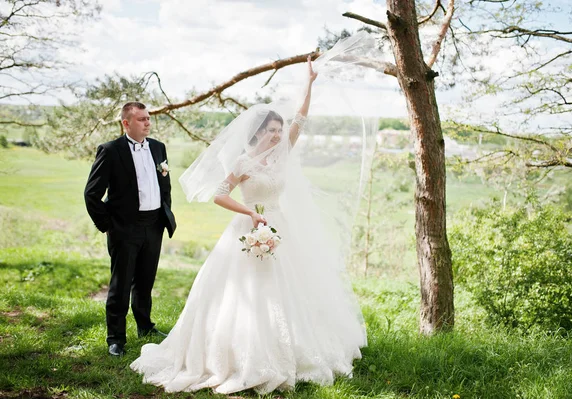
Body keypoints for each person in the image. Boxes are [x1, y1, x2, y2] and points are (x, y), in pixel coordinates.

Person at [130, 55, 368, 394]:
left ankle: (295, 347)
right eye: (271, 131)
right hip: (249, 228)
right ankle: (238, 352)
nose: (277, 135)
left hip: (281, 227)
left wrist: (309, 83)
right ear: (259, 133)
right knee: (244, 292)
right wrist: (250, 213)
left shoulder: (282, 152)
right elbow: (219, 193)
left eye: (278, 130)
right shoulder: (243, 161)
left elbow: (301, 118)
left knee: (291, 289)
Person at [84, 102, 176, 357]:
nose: (148, 123)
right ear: (126, 123)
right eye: (142, 119)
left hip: (154, 225)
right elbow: (92, 194)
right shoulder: (111, 150)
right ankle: (115, 338)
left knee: (145, 281)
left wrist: (164, 212)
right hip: (124, 228)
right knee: (121, 284)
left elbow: (164, 185)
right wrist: (108, 226)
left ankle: (145, 327)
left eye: (148, 118)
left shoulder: (158, 147)